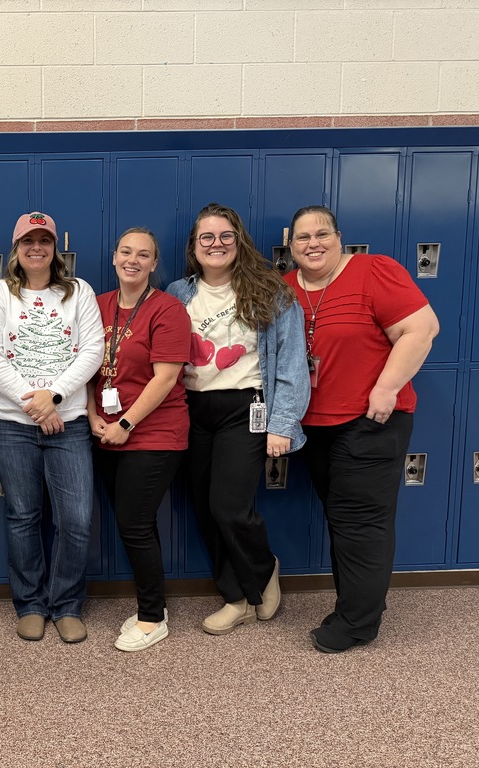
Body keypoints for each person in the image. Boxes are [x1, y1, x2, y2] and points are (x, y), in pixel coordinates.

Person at [283, 204, 439, 653]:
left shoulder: (374, 271)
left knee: (361, 523)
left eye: (322, 234)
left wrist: (386, 388)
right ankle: (357, 604)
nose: (313, 243)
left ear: (339, 237)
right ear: (290, 246)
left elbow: (422, 329)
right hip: (316, 426)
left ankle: (356, 624)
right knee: (342, 518)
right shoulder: (286, 287)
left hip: (371, 420)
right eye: (302, 237)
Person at [168, 203, 310, 636]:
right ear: (194, 247)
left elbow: (291, 364)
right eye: (206, 237)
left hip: (247, 408)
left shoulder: (270, 291)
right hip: (193, 410)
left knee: (229, 506)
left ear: (239, 241)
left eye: (225, 236)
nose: (216, 244)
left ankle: (253, 580)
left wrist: (282, 425)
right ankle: (245, 587)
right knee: (205, 510)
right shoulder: (177, 292)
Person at [0, 211, 103, 643]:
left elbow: (92, 352)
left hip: (68, 423)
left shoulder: (78, 292)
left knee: (77, 519)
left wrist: (56, 398)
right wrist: (36, 405)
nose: (36, 248)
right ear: (16, 248)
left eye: (43, 240)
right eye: (28, 240)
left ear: (55, 248)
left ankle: (66, 603)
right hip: (11, 424)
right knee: (23, 516)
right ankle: (30, 603)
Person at [89, 228, 190, 652]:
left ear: (153, 263)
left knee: (133, 524)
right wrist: (94, 415)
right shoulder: (97, 305)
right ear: (114, 257)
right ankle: (154, 606)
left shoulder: (167, 309)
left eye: (143, 254)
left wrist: (124, 424)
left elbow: (166, 377)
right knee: (137, 523)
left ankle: (152, 617)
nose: (133, 259)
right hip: (105, 430)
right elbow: (85, 367)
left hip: (154, 433)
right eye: (126, 252)